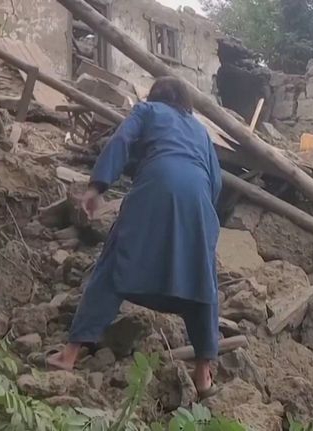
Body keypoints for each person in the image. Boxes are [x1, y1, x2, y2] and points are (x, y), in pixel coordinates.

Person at [45, 77, 223, 399]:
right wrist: (198, 218)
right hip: (198, 198)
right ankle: (202, 374)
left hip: (155, 186)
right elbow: (216, 181)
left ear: (155, 96)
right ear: (185, 102)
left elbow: (122, 140)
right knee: (202, 279)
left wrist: (97, 186)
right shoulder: (200, 131)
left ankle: (68, 355)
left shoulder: (147, 110)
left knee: (115, 263)